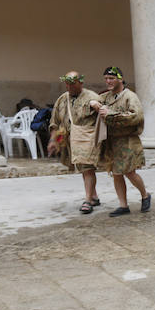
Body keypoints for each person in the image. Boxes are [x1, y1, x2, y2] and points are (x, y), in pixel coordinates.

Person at [90, 66, 151, 217]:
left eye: (111, 78)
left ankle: (145, 194)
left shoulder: (130, 96)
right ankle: (123, 205)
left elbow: (136, 116)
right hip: (112, 142)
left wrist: (111, 114)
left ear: (120, 79)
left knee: (129, 172)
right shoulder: (107, 97)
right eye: (106, 79)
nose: (108, 82)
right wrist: (93, 103)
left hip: (128, 141)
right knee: (116, 173)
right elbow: (93, 102)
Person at [47, 71, 104, 214]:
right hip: (71, 140)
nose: (69, 86)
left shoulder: (92, 97)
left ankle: (88, 200)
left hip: (87, 139)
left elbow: (104, 119)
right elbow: (55, 122)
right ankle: (94, 196)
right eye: (67, 83)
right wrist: (54, 141)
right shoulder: (62, 99)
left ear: (81, 82)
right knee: (83, 169)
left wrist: (97, 106)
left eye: (72, 83)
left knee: (87, 168)